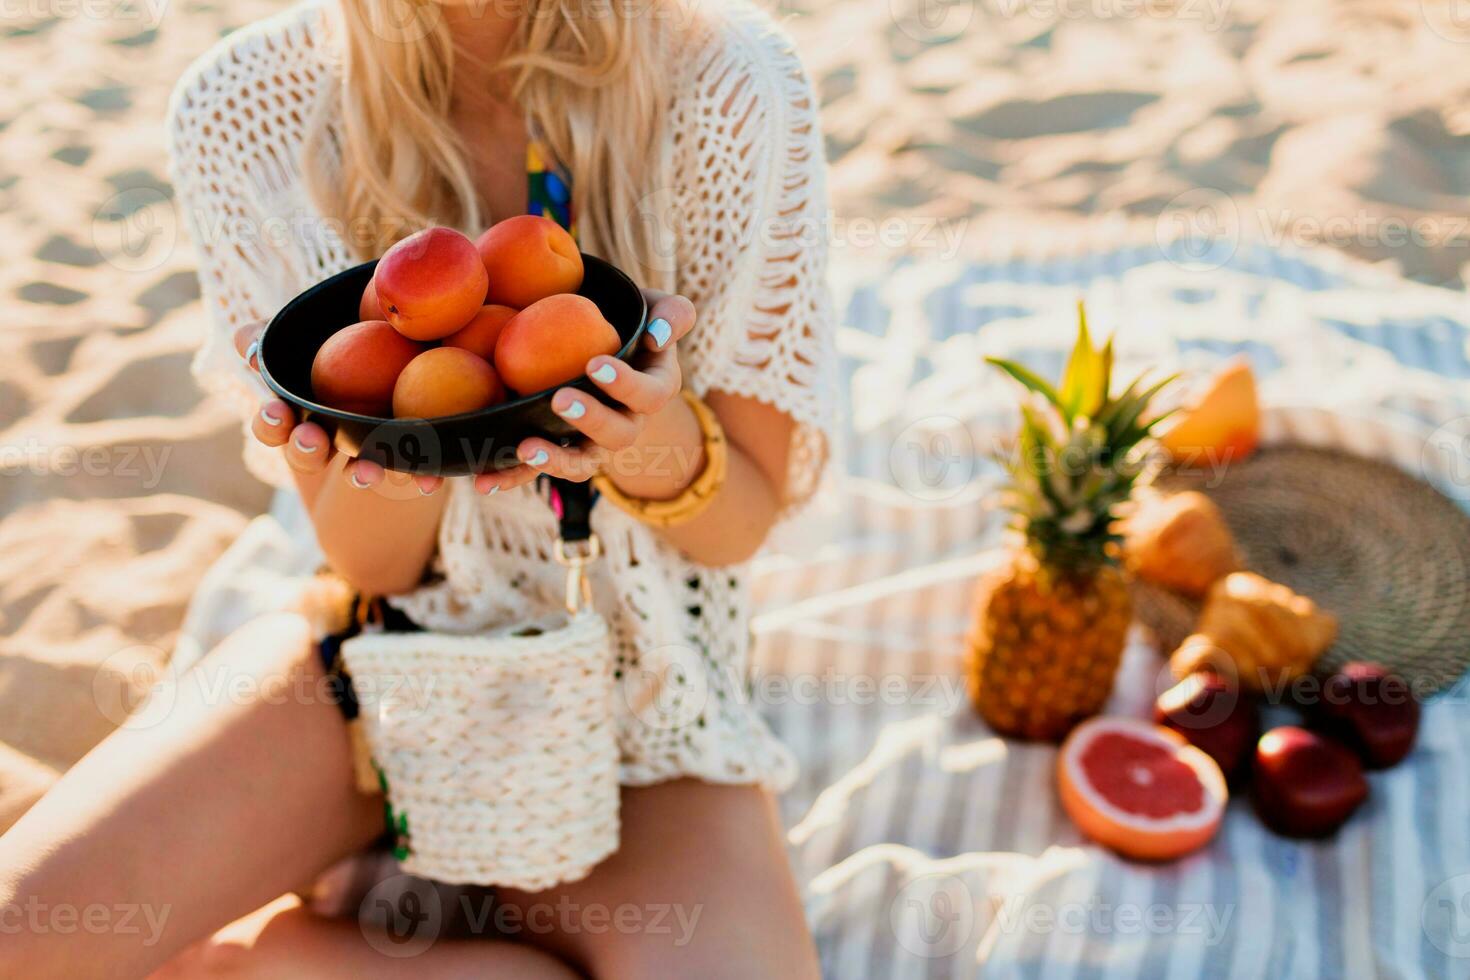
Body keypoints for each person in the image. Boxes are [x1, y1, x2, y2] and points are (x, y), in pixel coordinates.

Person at [0, 0, 834, 974]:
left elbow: (739, 525)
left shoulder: (732, 80)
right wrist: (385, 448)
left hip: (644, 706)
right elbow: (372, 563)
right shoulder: (243, 108)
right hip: (376, 669)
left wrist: (642, 436)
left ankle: (263, 963)